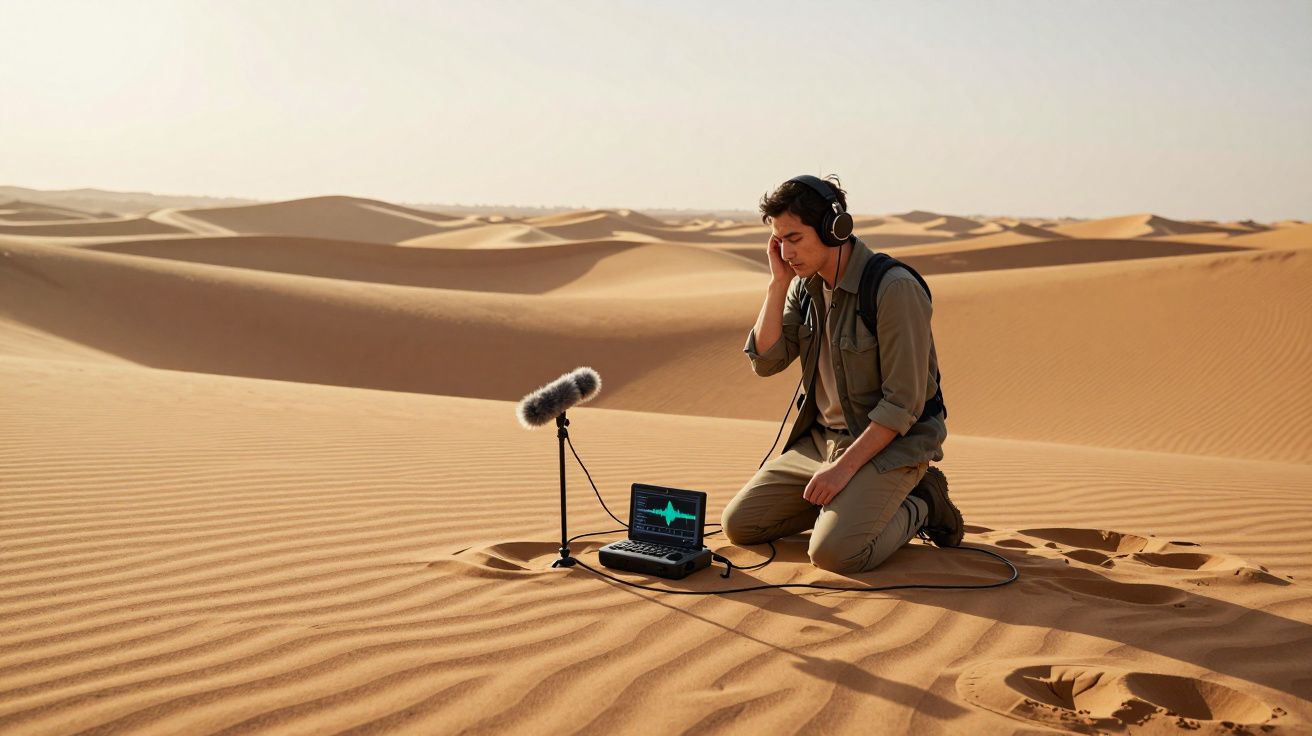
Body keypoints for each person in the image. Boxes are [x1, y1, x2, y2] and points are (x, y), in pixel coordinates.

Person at [720, 175, 964, 575]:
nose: (786, 251)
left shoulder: (893, 288)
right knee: (741, 526)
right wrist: (777, 284)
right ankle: (853, 509)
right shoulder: (804, 288)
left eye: (795, 238)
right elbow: (765, 361)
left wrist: (842, 471)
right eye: (778, 240)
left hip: (889, 445)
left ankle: (922, 503)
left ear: (836, 229)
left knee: (835, 554)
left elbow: (903, 405)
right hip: (822, 442)